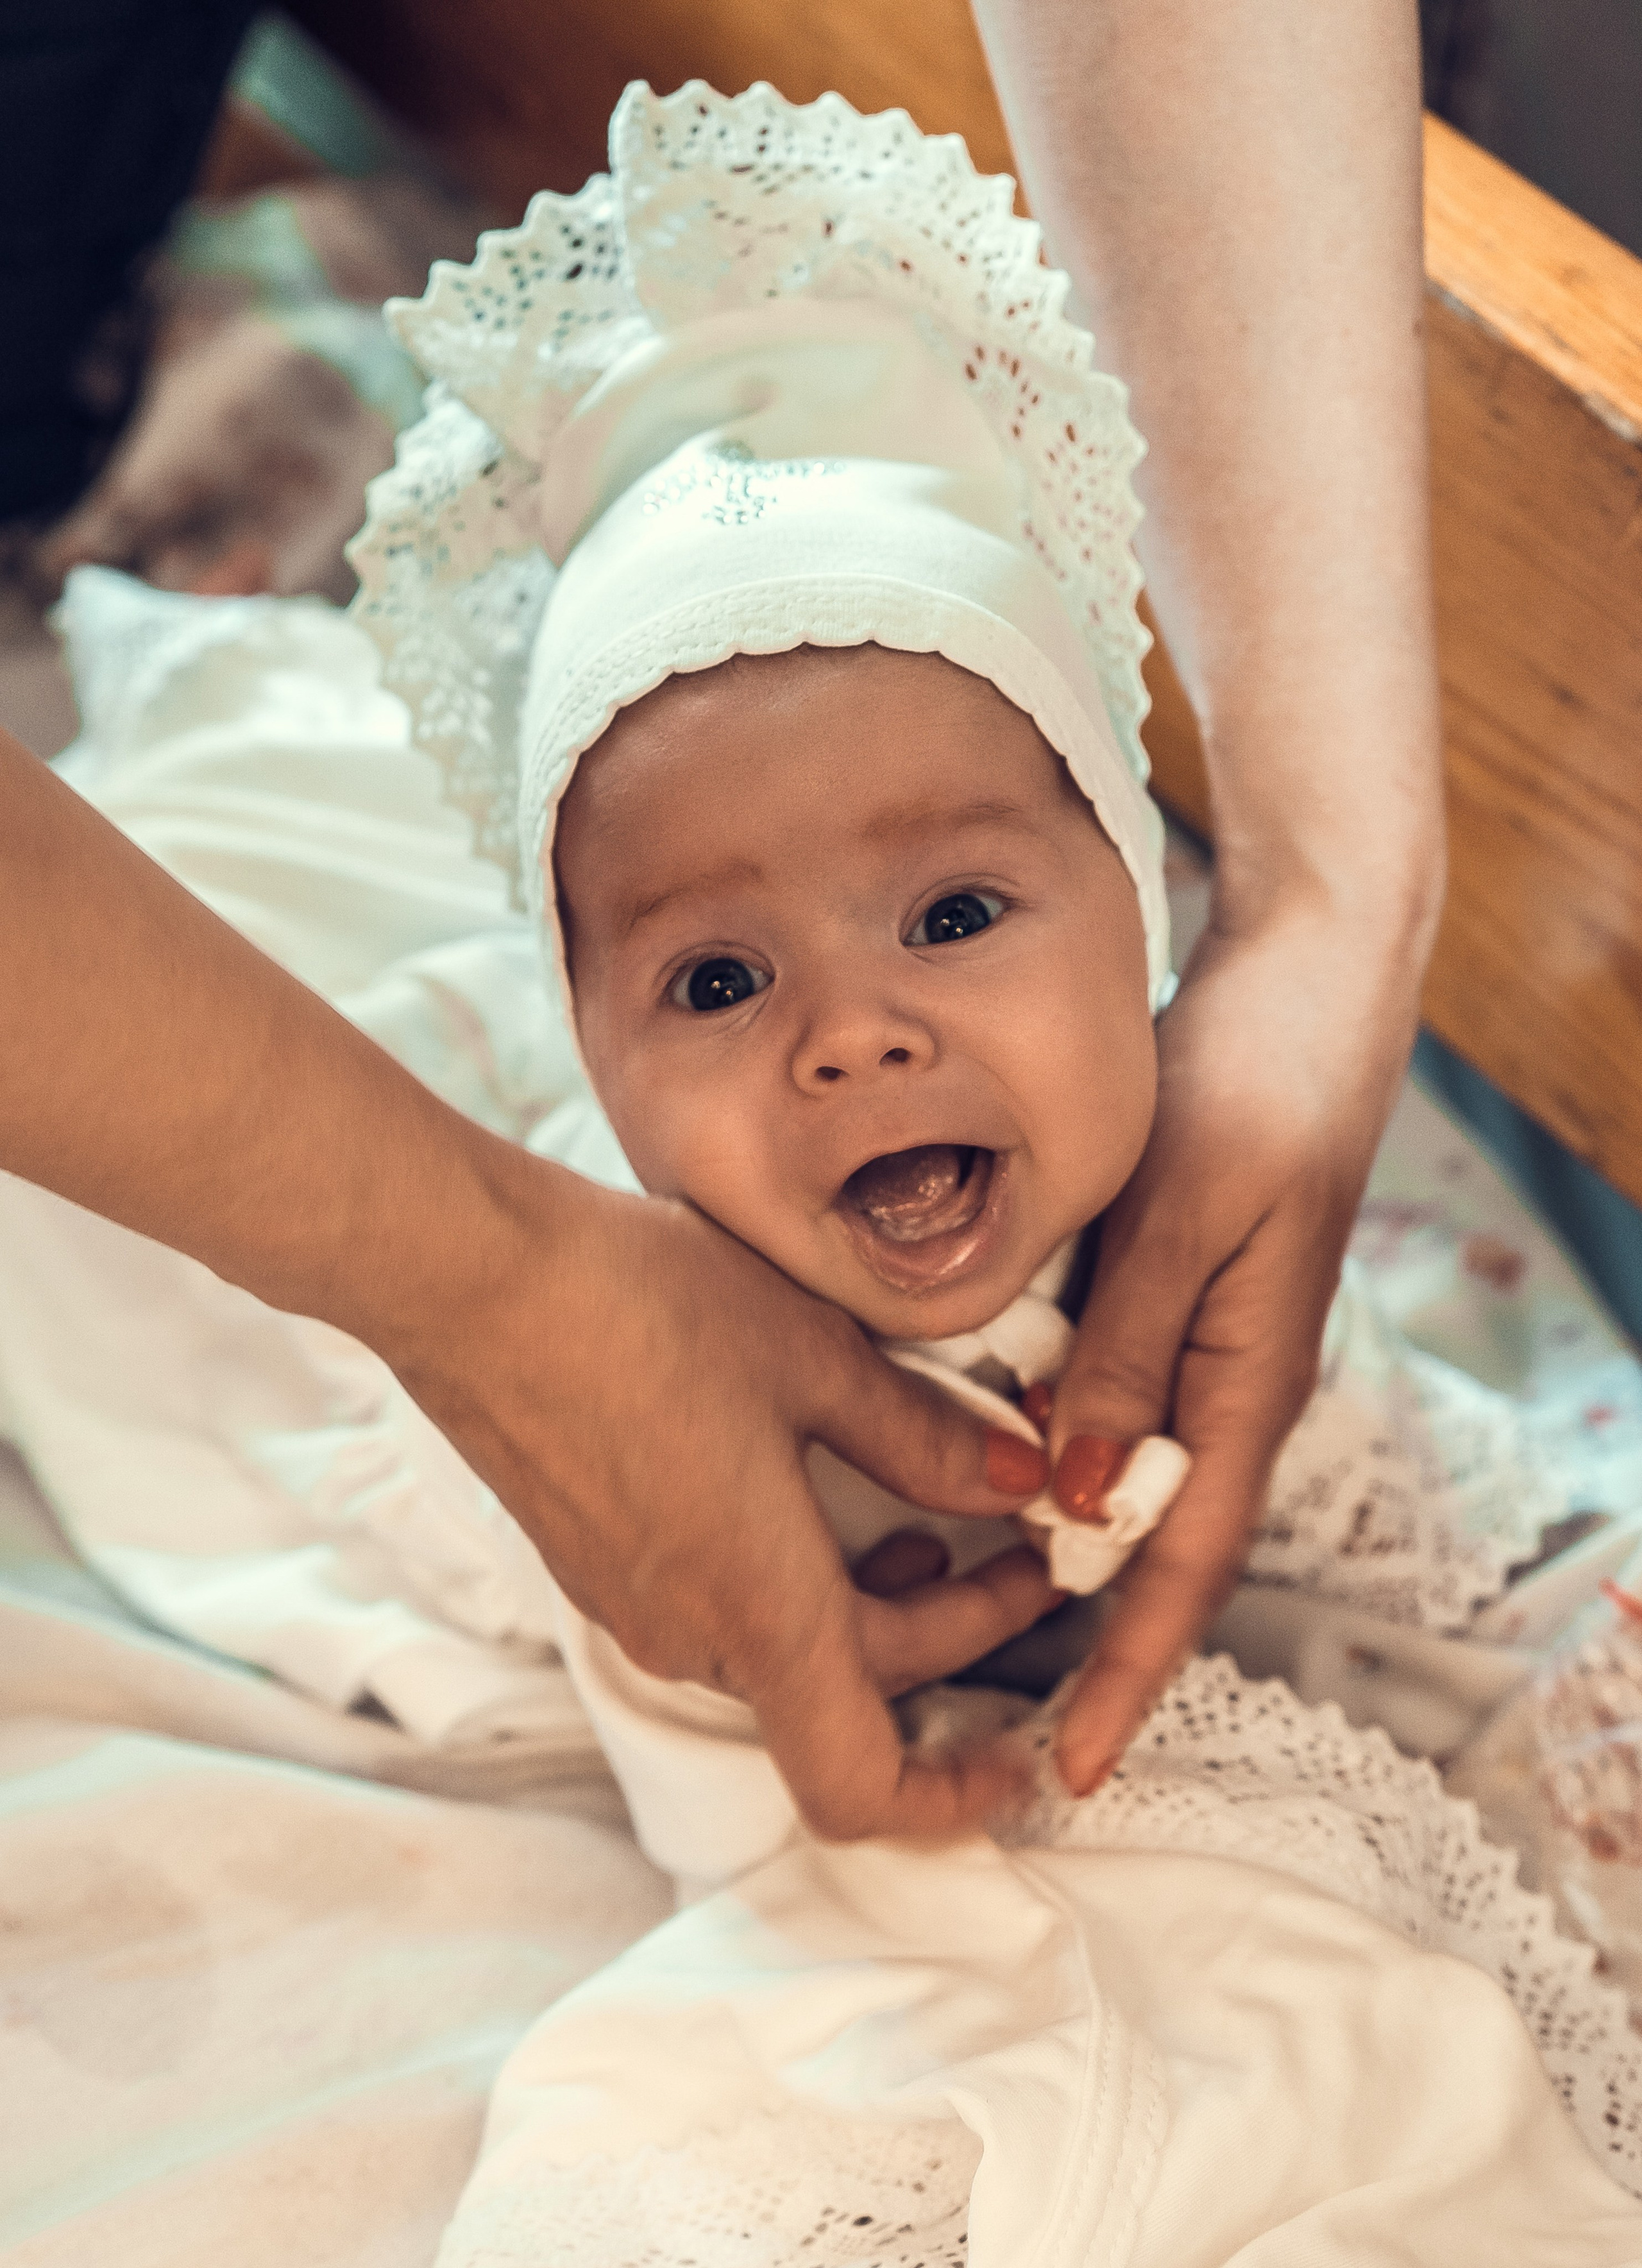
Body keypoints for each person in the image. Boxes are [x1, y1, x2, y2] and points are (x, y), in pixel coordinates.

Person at [0, 0, 1442, 1828]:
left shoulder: (1233, 1189)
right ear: (586, 1045)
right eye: (716, 980)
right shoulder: (636, 1353)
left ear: (1144, 903)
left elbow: (1397, 1519)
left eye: (956, 913)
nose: (854, 1037)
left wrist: (1332, 893)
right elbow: (704, 1688)